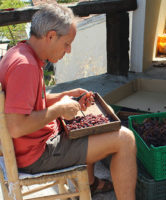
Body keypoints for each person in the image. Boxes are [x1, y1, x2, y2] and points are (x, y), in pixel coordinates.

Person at [0, 4, 137, 199]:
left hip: (31, 146)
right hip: (35, 156)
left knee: (89, 127)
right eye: (66, 44)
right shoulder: (26, 66)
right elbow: (16, 126)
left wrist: (67, 95)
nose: (69, 50)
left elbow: (28, 103)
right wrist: (59, 109)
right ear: (51, 36)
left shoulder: (20, 52)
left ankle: (90, 184)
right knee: (125, 139)